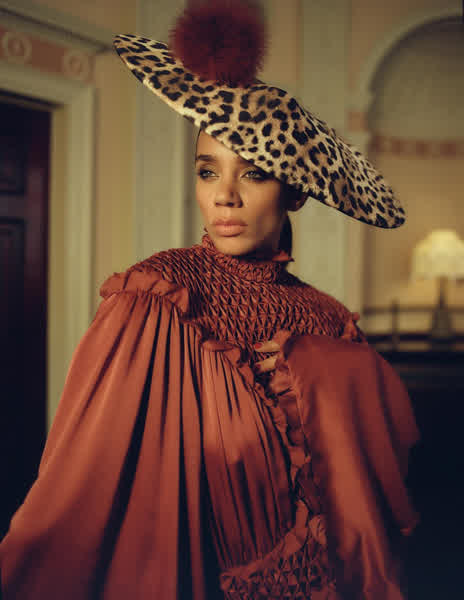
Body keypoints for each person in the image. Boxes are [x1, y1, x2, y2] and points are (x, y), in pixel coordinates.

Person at [0, 2, 419, 598]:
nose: (224, 195)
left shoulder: (329, 319)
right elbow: (82, 495)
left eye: (254, 173)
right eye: (207, 171)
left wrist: (323, 376)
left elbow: (372, 491)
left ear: (294, 192)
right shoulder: (156, 300)